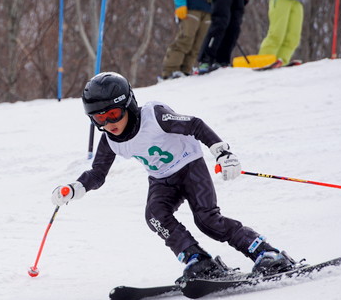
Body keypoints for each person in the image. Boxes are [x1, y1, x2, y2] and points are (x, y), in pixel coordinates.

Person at [51, 72, 294, 280]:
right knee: (155, 216)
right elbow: (98, 173)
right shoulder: (110, 140)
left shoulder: (155, 117)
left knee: (207, 220)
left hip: (190, 168)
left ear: (128, 105)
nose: (109, 123)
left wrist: (222, 152)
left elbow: (195, 125)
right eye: (99, 118)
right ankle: (197, 260)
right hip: (161, 179)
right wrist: (75, 188)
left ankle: (266, 253)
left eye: (113, 114)